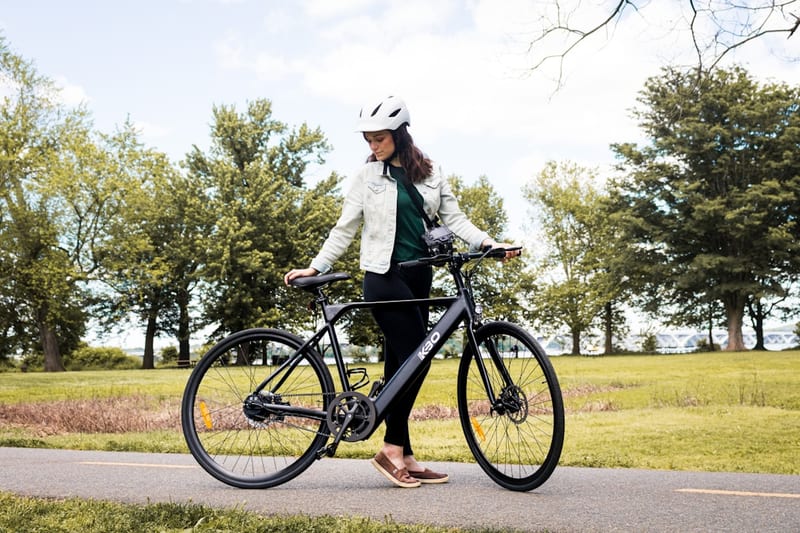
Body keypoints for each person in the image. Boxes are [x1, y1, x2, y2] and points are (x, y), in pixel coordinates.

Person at [284, 95, 519, 488]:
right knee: (419, 357)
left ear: (399, 134)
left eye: (379, 139)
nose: (373, 147)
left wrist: (488, 244)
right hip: (383, 276)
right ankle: (391, 449)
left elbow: (455, 218)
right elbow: (345, 227)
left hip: (418, 278)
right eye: (368, 140)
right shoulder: (366, 177)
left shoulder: (430, 172)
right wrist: (317, 265)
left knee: (403, 366)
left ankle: (403, 453)